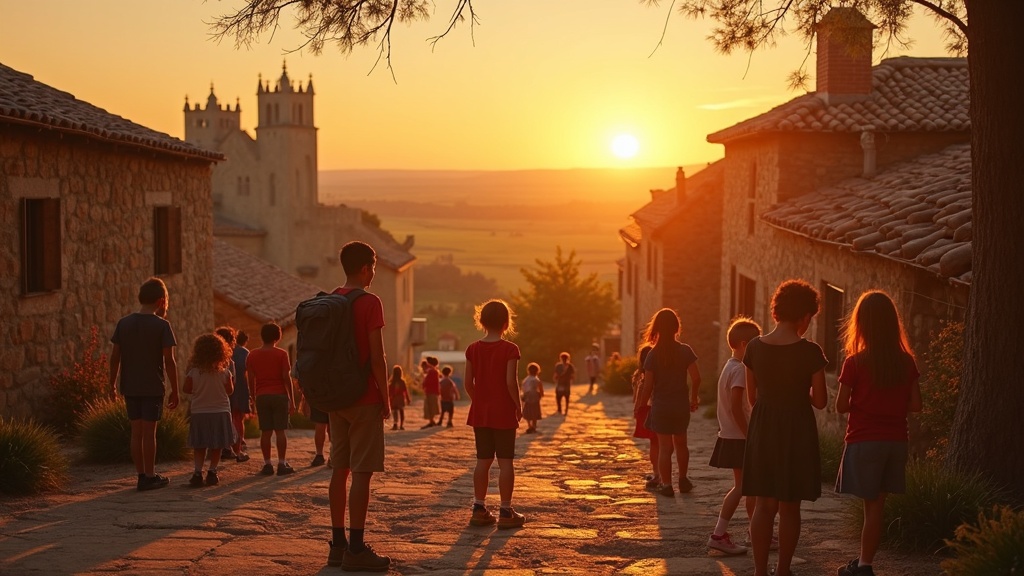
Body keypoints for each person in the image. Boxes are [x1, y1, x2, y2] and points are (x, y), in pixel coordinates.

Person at [742, 280, 828, 576]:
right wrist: (795, 391)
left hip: (764, 427)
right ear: (805, 317)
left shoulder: (753, 348)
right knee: (790, 506)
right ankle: (783, 570)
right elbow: (819, 400)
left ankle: (759, 570)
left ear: (776, 311)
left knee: (764, 504)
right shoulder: (811, 352)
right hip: (797, 430)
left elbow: (752, 398)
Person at [835, 291, 922, 576]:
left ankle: (864, 566)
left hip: (865, 440)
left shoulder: (855, 362)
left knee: (870, 508)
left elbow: (840, 405)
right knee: (877, 507)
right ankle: (863, 562)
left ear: (862, 324)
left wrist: (866, 402)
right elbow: (916, 405)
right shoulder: (906, 362)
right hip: (896, 441)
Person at [325, 241, 392, 572]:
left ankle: (336, 546)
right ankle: (356, 548)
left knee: (340, 469)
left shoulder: (331, 300)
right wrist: (386, 396)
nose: (374, 274)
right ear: (365, 268)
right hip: (364, 396)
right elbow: (377, 356)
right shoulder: (370, 302)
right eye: (374, 268)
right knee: (362, 473)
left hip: (335, 398)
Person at [108, 277, 178, 491]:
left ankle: (140, 475)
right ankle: (150, 474)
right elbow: (169, 360)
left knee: (135, 432)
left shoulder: (124, 323)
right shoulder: (162, 326)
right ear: (160, 301)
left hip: (130, 385)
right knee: (150, 433)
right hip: (152, 386)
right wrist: (175, 389)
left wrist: (111, 384)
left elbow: (115, 357)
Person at [465, 299, 525, 529]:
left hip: (481, 412)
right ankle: (506, 510)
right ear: (506, 323)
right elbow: (511, 382)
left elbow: (469, 384)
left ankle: (479, 508)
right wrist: (517, 405)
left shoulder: (472, 349)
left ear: (481, 321)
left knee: (483, 460)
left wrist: (479, 401)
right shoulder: (510, 349)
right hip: (503, 412)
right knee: (506, 461)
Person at [707, 317, 761, 555]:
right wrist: (750, 435)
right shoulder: (739, 370)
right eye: (754, 344)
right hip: (740, 438)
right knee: (742, 487)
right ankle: (718, 534)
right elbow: (738, 407)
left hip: (731, 435)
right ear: (743, 343)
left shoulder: (729, 366)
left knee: (751, 488)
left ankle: (757, 532)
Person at [634, 308, 701, 497]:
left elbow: (647, 386)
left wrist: (640, 405)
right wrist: (693, 398)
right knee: (681, 444)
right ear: (676, 327)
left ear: (656, 329)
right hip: (680, 406)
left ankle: (666, 485)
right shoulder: (685, 350)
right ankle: (683, 479)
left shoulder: (653, 356)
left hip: (661, 406)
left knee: (664, 448)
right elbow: (696, 378)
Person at [183, 333, 236, 487]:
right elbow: (230, 391)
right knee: (216, 444)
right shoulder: (225, 372)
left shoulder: (194, 372)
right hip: (220, 411)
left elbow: (186, 389)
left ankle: (198, 472)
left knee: (200, 445)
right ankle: (212, 471)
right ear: (221, 351)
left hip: (200, 411)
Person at [246, 322, 295, 477]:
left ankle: (267, 464)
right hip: (279, 395)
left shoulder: (252, 355)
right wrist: (291, 400)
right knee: (280, 431)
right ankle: (281, 463)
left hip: (262, 395)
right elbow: (286, 378)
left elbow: (251, 379)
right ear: (277, 337)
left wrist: (253, 398)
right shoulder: (282, 354)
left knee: (265, 432)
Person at [631, 345, 659, 489]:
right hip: (657, 407)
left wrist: (637, 409)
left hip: (644, 409)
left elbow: (636, 397)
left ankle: (657, 473)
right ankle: (660, 474)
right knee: (660, 443)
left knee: (654, 444)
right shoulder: (659, 373)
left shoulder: (639, 374)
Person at [226, 329, 251, 462]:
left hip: (228, 389)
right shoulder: (245, 353)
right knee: (239, 419)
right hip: (241, 389)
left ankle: (228, 446)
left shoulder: (226, 352)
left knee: (229, 418)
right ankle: (238, 447)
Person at [520, 362, 544, 433]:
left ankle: (529, 426)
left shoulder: (526, 380)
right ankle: (534, 426)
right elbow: (540, 388)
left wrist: (523, 396)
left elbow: (523, 389)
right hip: (535, 396)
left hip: (527, 396)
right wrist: (541, 394)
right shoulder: (536, 379)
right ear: (537, 371)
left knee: (528, 411)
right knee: (535, 411)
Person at [388, 365, 411, 430]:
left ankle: (395, 424)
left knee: (395, 411)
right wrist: (408, 399)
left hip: (394, 398)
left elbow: (390, 391)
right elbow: (405, 391)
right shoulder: (402, 382)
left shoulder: (392, 382)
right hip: (400, 398)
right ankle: (401, 425)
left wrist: (390, 397)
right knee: (401, 411)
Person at [421, 356, 441, 428]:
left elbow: (428, 382)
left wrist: (423, 385)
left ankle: (431, 421)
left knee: (430, 406)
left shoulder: (432, 371)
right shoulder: (434, 371)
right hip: (433, 391)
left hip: (430, 391)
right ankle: (432, 421)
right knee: (432, 406)